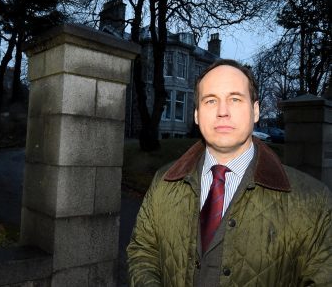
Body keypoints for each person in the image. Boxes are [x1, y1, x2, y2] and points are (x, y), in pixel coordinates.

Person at [127, 59, 331, 286]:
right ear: (196, 114)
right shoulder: (163, 181)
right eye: (211, 100)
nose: (222, 111)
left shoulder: (314, 201)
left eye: (235, 99)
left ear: (255, 111)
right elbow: (143, 251)